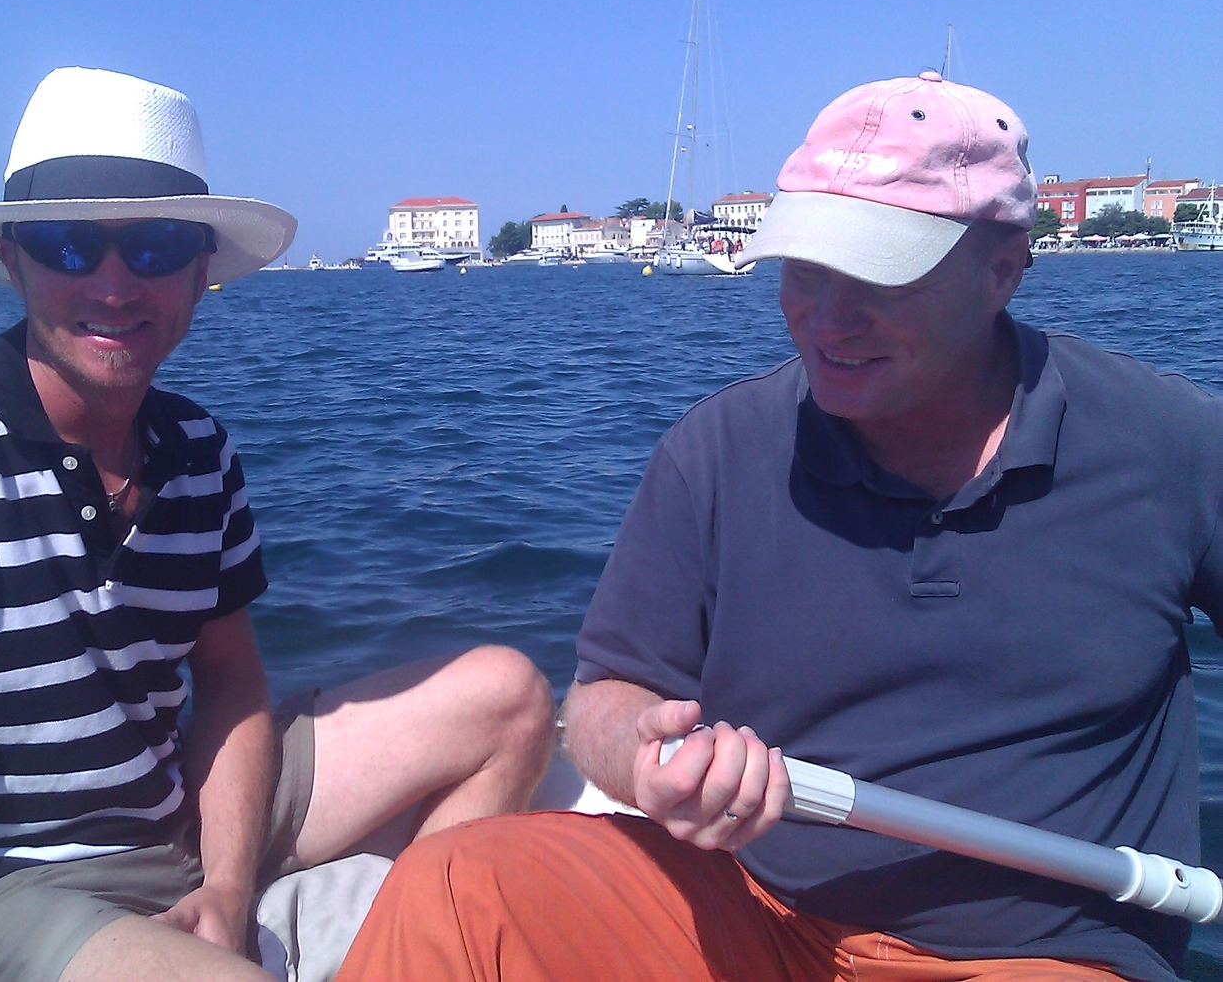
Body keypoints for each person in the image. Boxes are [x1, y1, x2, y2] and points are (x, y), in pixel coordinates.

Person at [336, 71, 1223, 982]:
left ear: (1002, 268)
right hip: (749, 908)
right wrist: (651, 761)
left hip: (1042, 952)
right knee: (454, 885)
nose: (827, 318)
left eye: (880, 270)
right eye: (806, 267)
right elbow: (604, 697)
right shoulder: (715, 450)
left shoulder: (1172, 443)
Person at [0, 66, 554, 982]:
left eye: (152, 245)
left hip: (173, 817)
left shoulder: (198, 447)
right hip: (1, 893)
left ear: (198, 272)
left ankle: (402, 953)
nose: (113, 284)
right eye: (70, 244)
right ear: (17, 260)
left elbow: (228, 689)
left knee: (512, 698)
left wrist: (228, 889)